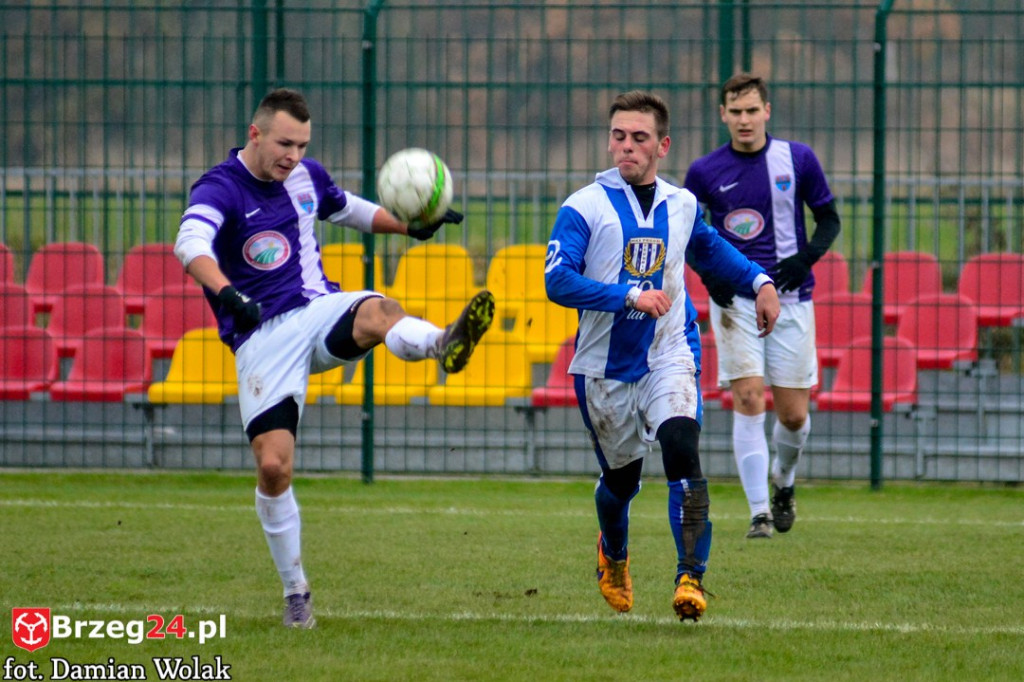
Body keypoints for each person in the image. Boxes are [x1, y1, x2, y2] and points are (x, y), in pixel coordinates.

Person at [174, 88, 494, 628]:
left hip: (318, 309)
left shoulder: (306, 176)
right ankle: (296, 592)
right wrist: (227, 293)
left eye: (301, 145)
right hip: (260, 338)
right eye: (284, 143)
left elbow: (350, 211)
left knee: (378, 310)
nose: (293, 156)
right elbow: (190, 243)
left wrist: (411, 225)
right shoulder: (220, 187)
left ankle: (443, 344)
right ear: (255, 134)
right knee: (274, 467)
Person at [545, 90, 779, 621]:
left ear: (662, 146)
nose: (626, 147)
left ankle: (690, 578)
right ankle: (614, 552)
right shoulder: (583, 206)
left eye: (639, 138)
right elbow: (556, 280)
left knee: (681, 449)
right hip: (604, 366)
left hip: (670, 350)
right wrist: (628, 296)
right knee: (622, 482)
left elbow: (710, 249)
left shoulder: (682, 204)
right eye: (618, 136)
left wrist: (759, 280)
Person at [683, 73, 841, 539]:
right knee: (749, 398)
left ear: (767, 111)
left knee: (793, 415)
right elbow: (691, 237)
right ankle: (758, 514)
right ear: (723, 115)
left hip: (793, 301)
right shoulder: (704, 172)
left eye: (753, 110)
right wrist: (714, 280)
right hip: (735, 303)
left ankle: (784, 482)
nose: (745, 120)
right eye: (736, 111)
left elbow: (829, 219)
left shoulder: (798, 159)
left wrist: (804, 259)